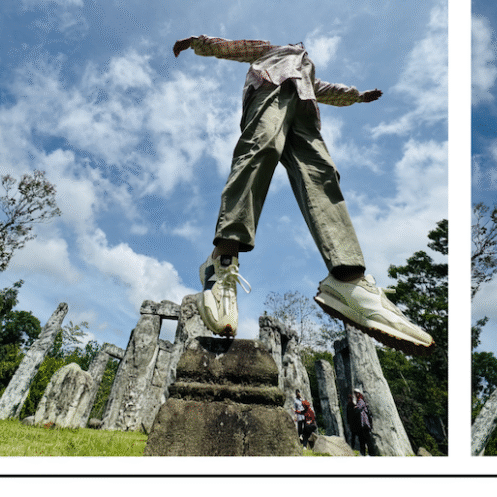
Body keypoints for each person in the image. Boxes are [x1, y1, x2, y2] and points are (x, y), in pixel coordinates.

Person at [173, 35, 434, 356]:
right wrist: (199, 43)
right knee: (261, 148)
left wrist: (357, 96)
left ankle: (348, 278)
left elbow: (328, 91)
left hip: (304, 108)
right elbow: (237, 48)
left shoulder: (308, 72)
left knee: (322, 172)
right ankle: (222, 262)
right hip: (270, 90)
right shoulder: (274, 51)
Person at [353, 389, 374, 456]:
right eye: (355, 393)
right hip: (360, 424)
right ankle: (363, 453)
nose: (356, 394)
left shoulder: (361, 401)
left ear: (359, 394)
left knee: (366, 439)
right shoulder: (358, 401)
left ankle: (370, 453)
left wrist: (355, 407)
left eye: (357, 393)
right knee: (362, 439)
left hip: (364, 423)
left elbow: (358, 408)